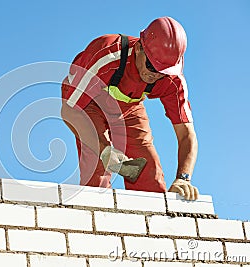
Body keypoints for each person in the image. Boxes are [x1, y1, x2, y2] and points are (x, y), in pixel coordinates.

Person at [61, 17, 199, 200]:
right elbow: (69, 111)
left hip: (128, 106)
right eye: (151, 66)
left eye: (162, 72)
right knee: (98, 166)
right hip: (87, 101)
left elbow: (186, 134)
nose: (154, 75)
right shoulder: (107, 53)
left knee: (148, 172)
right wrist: (104, 150)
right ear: (140, 47)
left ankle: (153, 223)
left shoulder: (172, 79)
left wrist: (183, 179)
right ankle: (98, 217)